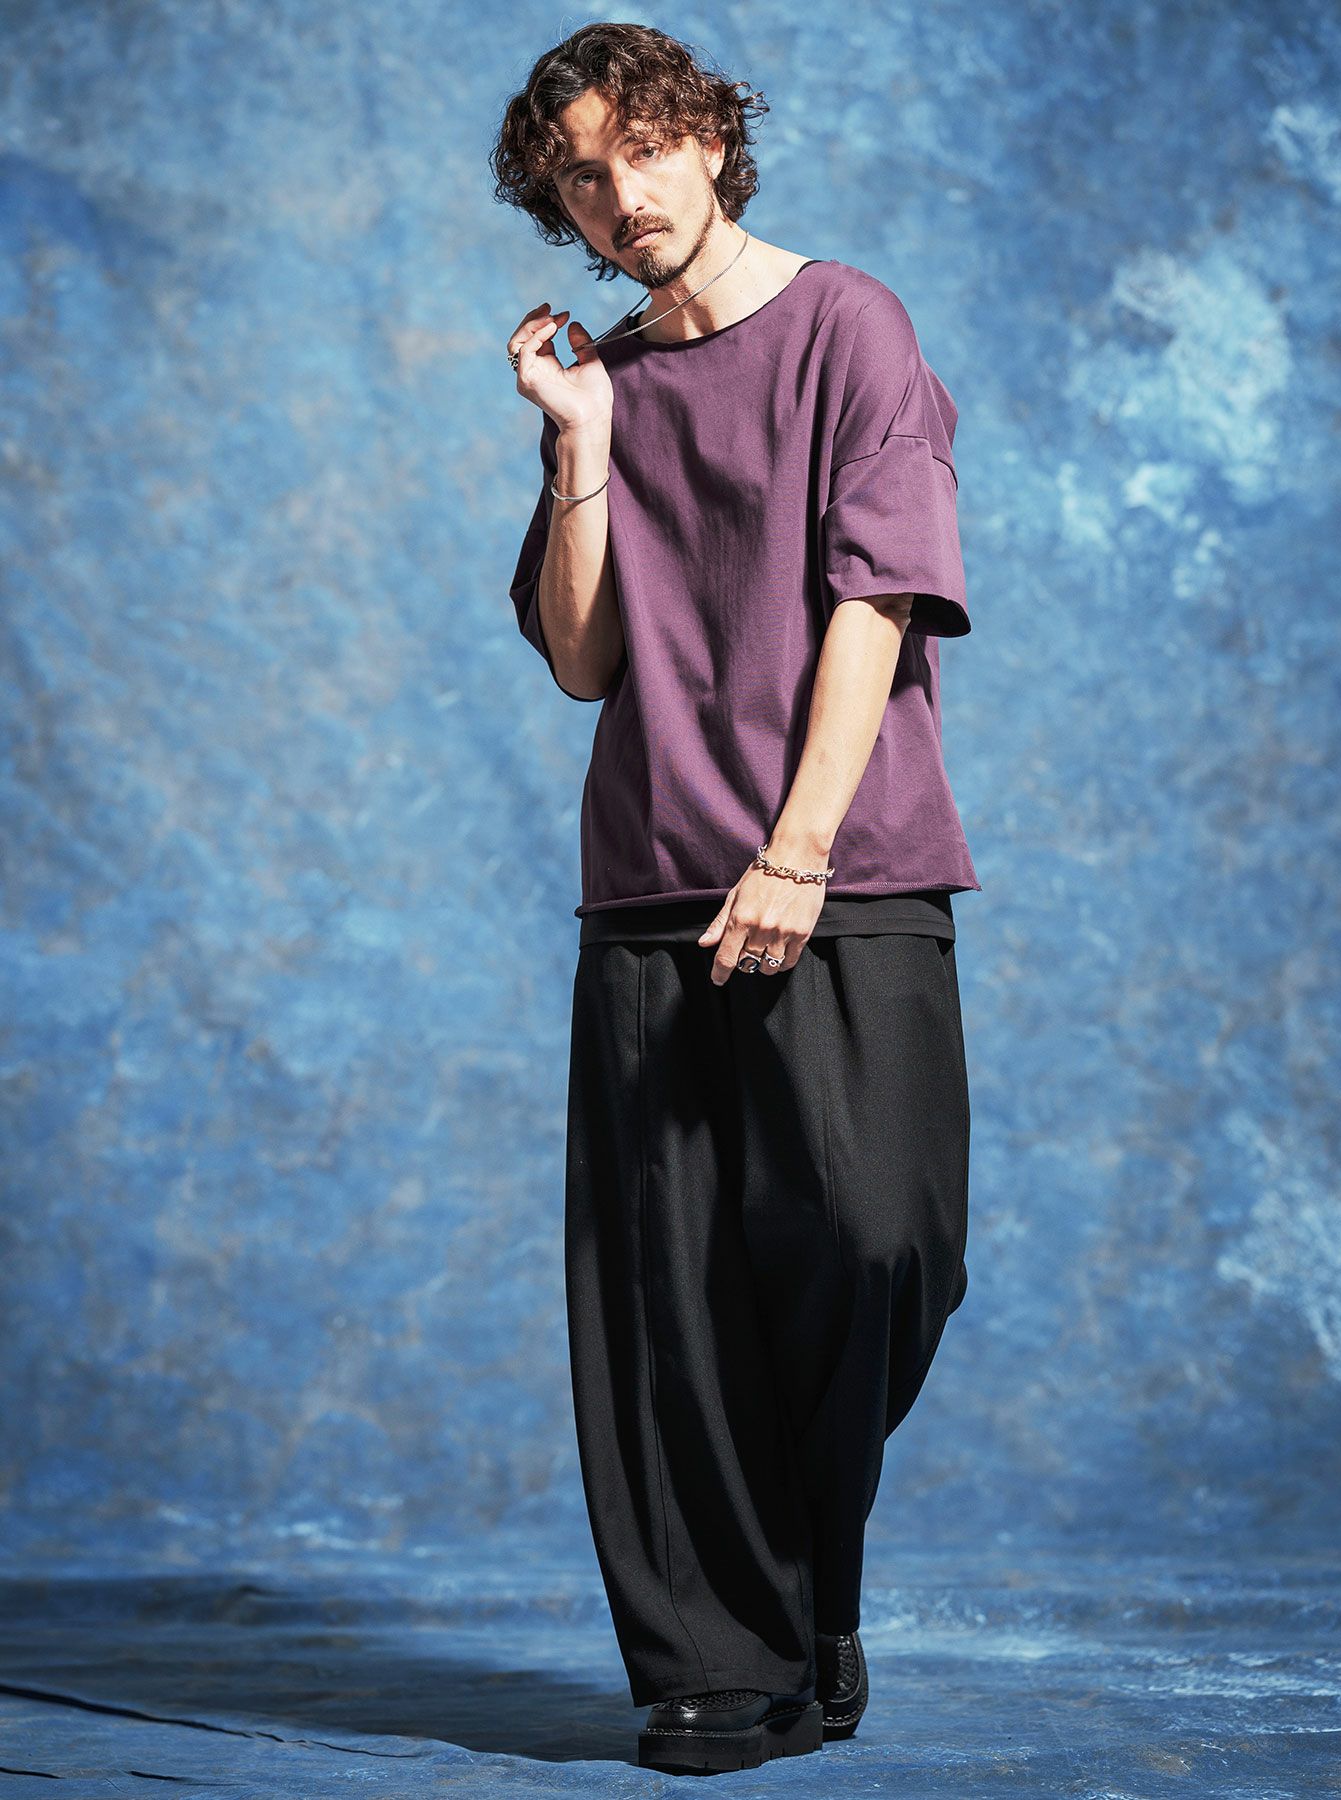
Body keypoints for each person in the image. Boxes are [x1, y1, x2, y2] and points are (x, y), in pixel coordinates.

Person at [493, 22, 979, 1777]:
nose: (619, 196)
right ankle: (726, 1660)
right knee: (673, 1303)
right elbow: (582, 655)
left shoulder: (851, 326)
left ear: (707, 140)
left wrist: (799, 849)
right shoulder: (610, 377)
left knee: (882, 1239)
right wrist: (579, 442)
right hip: (647, 882)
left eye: (641, 150)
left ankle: (808, 1576)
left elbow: (879, 598)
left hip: (844, 866)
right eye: (580, 179)